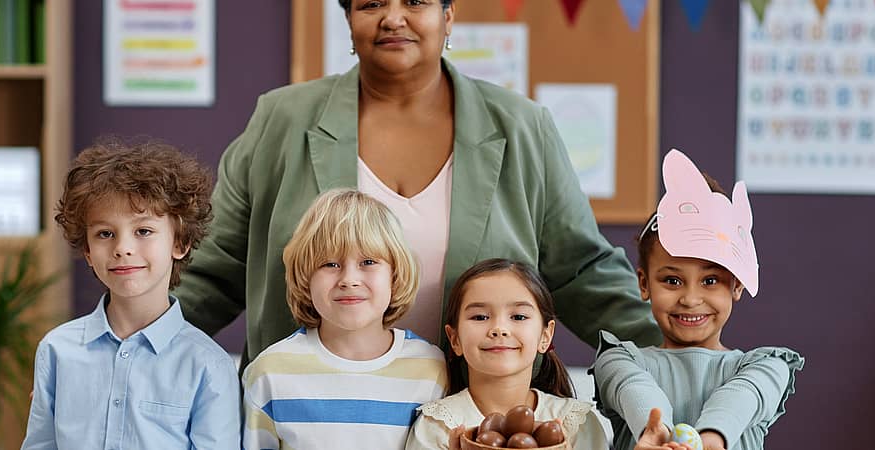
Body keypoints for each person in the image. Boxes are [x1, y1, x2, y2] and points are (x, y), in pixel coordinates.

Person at [174, 0, 659, 370]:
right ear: (347, 20)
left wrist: (683, 356)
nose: (393, 18)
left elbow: (582, 274)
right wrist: (128, 347)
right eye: (371, 4)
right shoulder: (281, 119)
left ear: (449, 17)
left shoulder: (522, 127)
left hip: (475, 420)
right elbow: (214, 272)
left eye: (416, 1)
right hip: (311, 417)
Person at [21, 138, 240, 450]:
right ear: (87, 249)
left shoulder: (209, 366)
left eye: (143, 231)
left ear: (179, 243)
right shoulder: (57, 351)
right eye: (105, 234)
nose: (122, 248)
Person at [592, 150, 804, 450]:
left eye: (710, 281)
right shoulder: (618, 360)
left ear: (737, 284)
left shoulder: (767, 367)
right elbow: (635, 391)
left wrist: (709, 441)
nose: (691, 299)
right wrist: (659, 434)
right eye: (672, 280)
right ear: (643, 283)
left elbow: (741, 397)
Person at [241, 189, 445, 449]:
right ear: (306, 276)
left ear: (395, 274)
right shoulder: (269, 373)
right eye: (330, 264)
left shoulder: (431, 369)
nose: (349, 280)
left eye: (368, 261)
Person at [406, 258, 613, 450]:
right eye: (480, 317)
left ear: (545, 336)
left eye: (519, 316)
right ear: (455, 339)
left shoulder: (575, 423)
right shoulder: (438, 425)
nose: (499, 328)